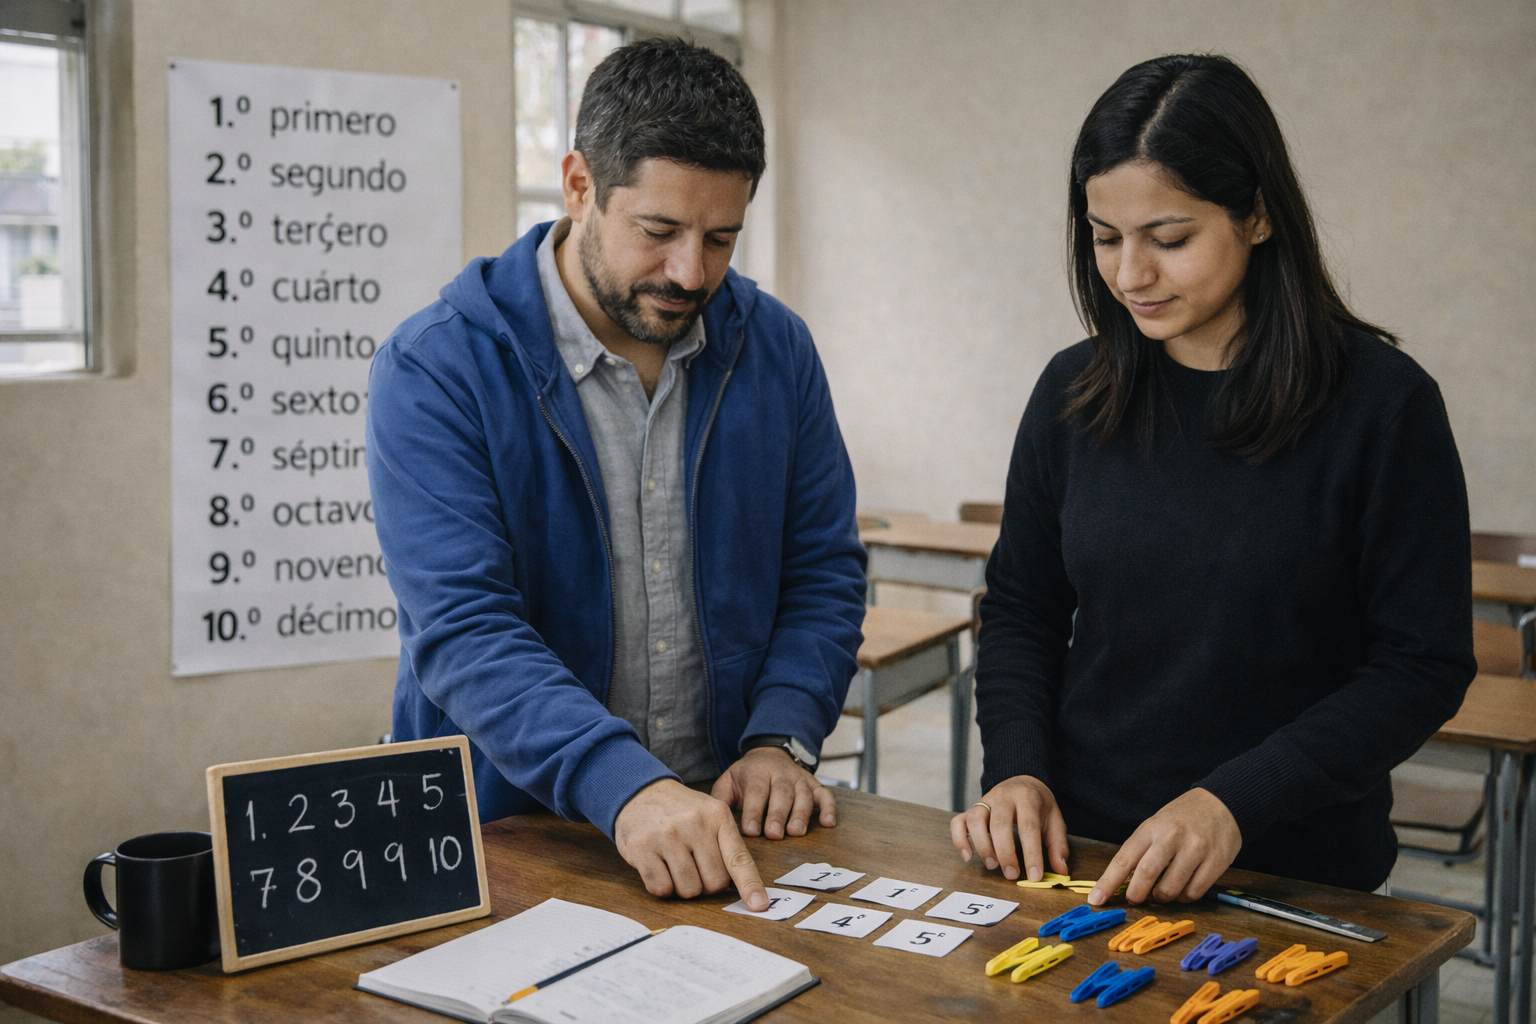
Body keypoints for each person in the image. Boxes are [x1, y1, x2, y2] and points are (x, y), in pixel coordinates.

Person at [951, 54, 1475, 903]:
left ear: (1258, 216)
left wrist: (1234, 801)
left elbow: (1421, 665)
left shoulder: (1385, 407)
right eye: (1104, 237)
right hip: (1083, 854)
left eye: (1170, 239)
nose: (1129, 276)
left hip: (1294, 867)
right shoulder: (1070, 392)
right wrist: (1015, 771)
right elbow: (1023, 607)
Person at [367, 38, 865, 913]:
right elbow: (464, 628)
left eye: (721, 239)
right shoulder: (437, 366)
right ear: (579, 186)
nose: (691, 273)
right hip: (501, 833)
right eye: (659, 232)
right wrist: (624, 786)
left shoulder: (777, 348)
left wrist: (782, 738)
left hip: (722, 829)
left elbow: (822, 567)